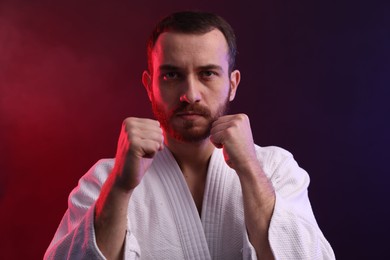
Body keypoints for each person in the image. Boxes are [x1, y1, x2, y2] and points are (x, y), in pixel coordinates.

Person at [44, 11, 335, 260]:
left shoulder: (275, 168)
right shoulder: (105, 179)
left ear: (232, 84)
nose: (190, 94)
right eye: (172, 75)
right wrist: (120, 188)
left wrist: (249, 168)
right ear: (149, 86)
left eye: (207, 74)